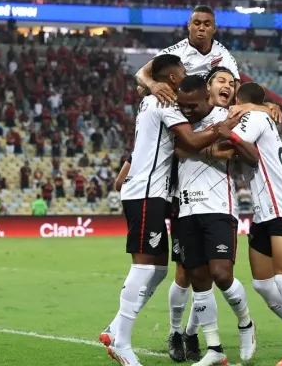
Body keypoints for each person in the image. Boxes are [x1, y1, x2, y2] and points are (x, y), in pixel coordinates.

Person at [99, 54, 232, 366]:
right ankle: (122, 343)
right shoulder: (167, 102)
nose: (185, 75)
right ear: (173, 79)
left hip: (152, 193)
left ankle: (116, 327)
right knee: (144, 267)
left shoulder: (151, 98)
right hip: (147, 193)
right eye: (182, 72)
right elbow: (190, 140)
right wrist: (222, 127)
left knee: (159, 271)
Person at [166, 66, 282, 362]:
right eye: (221, 80)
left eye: (232, 82)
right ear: (208, 87)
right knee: (195, 278)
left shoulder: (233, 117)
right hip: (186, 207)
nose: (227, 86)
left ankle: (245, 323)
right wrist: (207, 145)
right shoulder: (181, 117)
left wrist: (267, 105)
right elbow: (177, 150)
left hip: (219, 206)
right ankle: (212, 347)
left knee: (221, 274)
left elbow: (235, 152)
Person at [227, 82, 282, 366]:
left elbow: (230, 140)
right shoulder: (261, 114)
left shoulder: (255, 117)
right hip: (263, 212)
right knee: (262, 284)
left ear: (241, 100)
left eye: (232, 99)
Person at [135, 5, 240, 106]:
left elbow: (236, 87)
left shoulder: (223, 54)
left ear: (214, 28)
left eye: (207, 24)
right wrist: (152, 85)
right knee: (142, 88)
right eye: (197, 23)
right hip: (181, 109)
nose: (201, 28)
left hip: (209, 112)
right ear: (189, 26)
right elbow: (141, 74)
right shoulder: (175, 51)